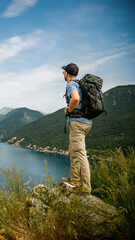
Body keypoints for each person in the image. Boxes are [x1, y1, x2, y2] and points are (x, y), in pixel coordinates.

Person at [62, 63, 92, 194]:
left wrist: (69, 109)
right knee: (73, 151)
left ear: (67, 73)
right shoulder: (81, 84)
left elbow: (75, 98)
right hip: (86, 122)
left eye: (64, 72)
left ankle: (85, 187)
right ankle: (74, 179)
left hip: (77, 123)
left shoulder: (71, 84)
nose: (63, 74)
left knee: (80, 154)